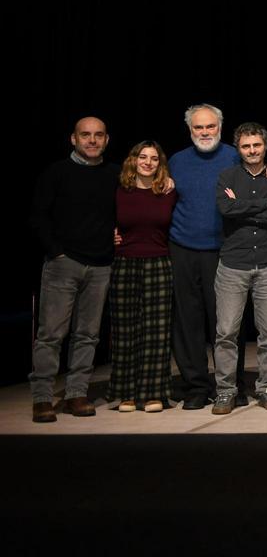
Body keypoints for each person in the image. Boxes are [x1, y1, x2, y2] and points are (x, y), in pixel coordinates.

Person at [168, 103, 267, 410]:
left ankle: (234, 386)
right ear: (190, 129)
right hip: (182, 247)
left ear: (220, 128)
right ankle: (194, 385)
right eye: (198, 127)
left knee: (228, 326)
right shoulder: (176, 161)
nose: (204, 132)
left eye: (210, 127)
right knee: (188, 320)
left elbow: (265, 172)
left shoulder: (236, 156)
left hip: (224, 249)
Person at [29, 117, 120, 423]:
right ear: (73, 139)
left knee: (88, 335)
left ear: (106, 139)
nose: (92, 140)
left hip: (100, 265)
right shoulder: (57, 172)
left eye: (98, 135)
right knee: (51, 334)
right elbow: (38, 215)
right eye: (86, 135)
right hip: (63, 264)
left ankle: (76, 394)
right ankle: (42, 397)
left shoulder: (114, 174)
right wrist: (56, 252)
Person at [212, 123, 267, 414]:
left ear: (265, 146)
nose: (252, 151)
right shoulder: (227, 176)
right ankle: (225, 391)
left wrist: (245, 205)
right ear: (238, 148)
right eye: (246, 146)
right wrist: (265, 203)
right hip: (233, 264)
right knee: (226, 333)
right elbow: (225, 209)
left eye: (256, 145)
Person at [110, 141, 177, 414]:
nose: (148, 162)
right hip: (124, 264)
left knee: (157, 333)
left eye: (154, 159)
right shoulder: (119, 191)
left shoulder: (168, 191)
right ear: (133, 160)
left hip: (159, 264)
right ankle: (126, 393)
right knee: (125, 331)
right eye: (142, 157)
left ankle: (153, 393)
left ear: (160, 164)